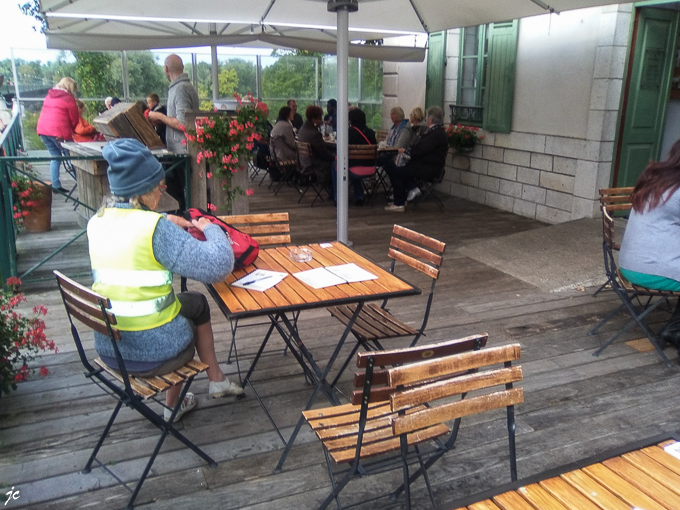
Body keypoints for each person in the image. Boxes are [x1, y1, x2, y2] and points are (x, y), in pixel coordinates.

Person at [87, 138, 243, 421]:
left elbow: (133, 238)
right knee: (185, 322)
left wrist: (164, 222)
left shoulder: (97, 221)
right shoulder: (155, 229)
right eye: (158, 184)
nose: (163, 188)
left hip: (110, 345)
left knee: (195, 303)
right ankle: (172, 406)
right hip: (155, 351)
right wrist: (212, 228)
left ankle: (216, 378)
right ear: (142, 191)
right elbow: (219, 266)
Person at [619, 138, 680, 350]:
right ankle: (675, 331)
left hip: (630, 263)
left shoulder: (656, 179)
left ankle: (674, 330)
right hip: (651, 268)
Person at [148, 54, 200, 210]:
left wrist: (160, 117)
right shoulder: (181, 87)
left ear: (166, 69)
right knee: (179, 192)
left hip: (183, 151)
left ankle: (187, 221)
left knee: (185, 193)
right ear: (182, 68)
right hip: (180, 151)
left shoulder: (181, 89)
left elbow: (184, 124)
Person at [384, 106, 448, 212]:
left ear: (431, 119)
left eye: (426, 117)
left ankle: (399, 202)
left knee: (396, 170)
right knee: (393, 165)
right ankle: (409, 191)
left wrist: (407, 152)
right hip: (425, 165)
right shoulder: (436, 132)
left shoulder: (435, 134)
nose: (425, 119)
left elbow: (420, 149)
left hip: (429, 168)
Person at [36, 77, 79, 193]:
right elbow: (75, 119)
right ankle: (81, 182)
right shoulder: (69, 99)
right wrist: (73, 131)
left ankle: (55, 185)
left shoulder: (49, 96)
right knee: (71, 156)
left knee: (55, 157)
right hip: (59, 133)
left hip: (43, 130)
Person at [331, 108, 376, 206]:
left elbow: (340, 152)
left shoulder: (348, 133)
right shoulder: (371, 133)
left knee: (336, 165)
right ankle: (359, 196)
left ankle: (337, 197)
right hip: (371, 168)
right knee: (354, 163)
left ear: (351, 120)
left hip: (353, 169)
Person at [297, 105, 335, 189]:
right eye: (320, 118)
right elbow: (324, 154)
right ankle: (335, 193)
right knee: (335, 164)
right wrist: (336, 157)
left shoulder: (303, 129)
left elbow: (321, 145)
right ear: (313, 119)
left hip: (304, 163)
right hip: (315, 165)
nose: (321, 121)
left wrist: (334, 146)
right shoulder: (314, 134)